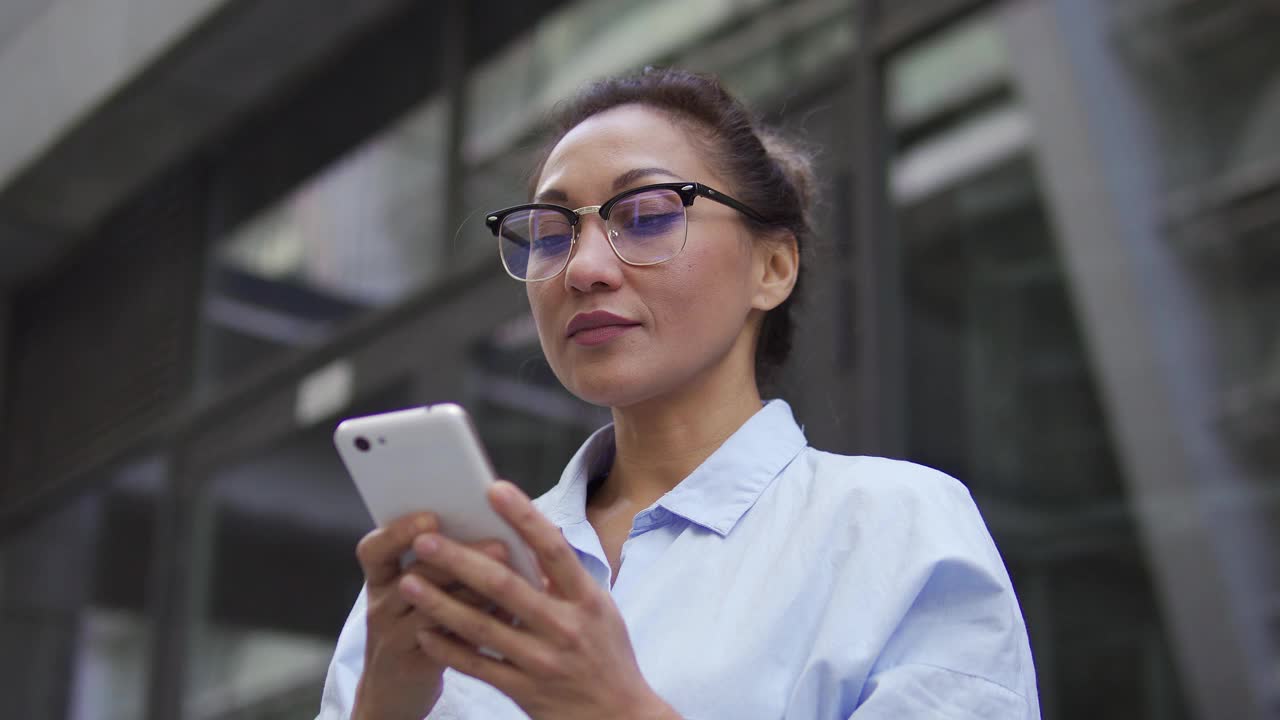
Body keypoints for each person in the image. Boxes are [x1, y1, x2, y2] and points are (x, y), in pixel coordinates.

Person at [317, 67, 1040, 720]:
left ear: (773, 267)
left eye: (649, 214)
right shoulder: (454, 583)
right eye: (551, 230)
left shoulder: (892, 528)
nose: (585, 267)